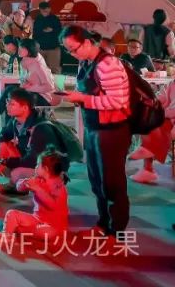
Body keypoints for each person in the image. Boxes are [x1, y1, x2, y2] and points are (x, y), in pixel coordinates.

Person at [60, 26, 132, 238]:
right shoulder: (86, 63)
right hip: (94, 127)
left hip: (112, 131)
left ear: (87, 42)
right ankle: (104, 224)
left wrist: (83, 99)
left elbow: (118, 101)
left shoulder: (108, 64)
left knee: (112, 181)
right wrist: (78, 97)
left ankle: (116, 230)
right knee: (97, 179)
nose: (72, 54)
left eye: (73, 49)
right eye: (68, 50)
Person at [0, 88, 67, 188]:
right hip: (32, 160)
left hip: (48, 168)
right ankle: (18, 183)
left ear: (25, 108)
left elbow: (32, 160)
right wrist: (2, 151)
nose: (7, 106)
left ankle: (42, 184)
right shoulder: (16, 120)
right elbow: (4, 135)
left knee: (16, 174)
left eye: (12, 104)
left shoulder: (40, 128)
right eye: (7, 102)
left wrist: (6, 162)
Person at [0, 148, 69, 239]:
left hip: (53, 227)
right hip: (37, 219)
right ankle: (6, 237)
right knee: (11, 214)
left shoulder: (59, 187)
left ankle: (21, 230)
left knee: (45, 232)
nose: (35, 167)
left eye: (38, 165)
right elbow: (19, 187)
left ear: (46, 169)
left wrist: (38, 189)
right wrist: (24, 183)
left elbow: (53, 205)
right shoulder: (38, 180)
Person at [0, 39, 56, 125]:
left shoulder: (38, 65)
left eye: (21, 49)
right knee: (7, 90)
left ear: (29, 50)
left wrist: (30, 87)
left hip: (42, 97)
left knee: (12, 94)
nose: (18, 51)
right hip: (32, 92)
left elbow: (50, 86)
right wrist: (25, 84)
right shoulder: (27, 60)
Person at [128, 79, 175, 184]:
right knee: (150, 123)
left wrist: (163, 113)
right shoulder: (172, 84)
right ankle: (147, 167)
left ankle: (148, 155)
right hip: (168, 119)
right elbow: (161, 99)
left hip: (170, 120)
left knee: (159, 126)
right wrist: (152, 102)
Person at [31, 2, 63, 74]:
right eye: (42, 10)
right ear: (40, 10)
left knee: (54, 70)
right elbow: (35, 34)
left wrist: (52, 30)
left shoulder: (55, 19)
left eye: (46, 10)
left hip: (53, 49)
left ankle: (55, 82)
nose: (44, 12)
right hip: (41, 49)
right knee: (40, 69)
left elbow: (60, 32)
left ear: (49, 9)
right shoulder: (38, 19)